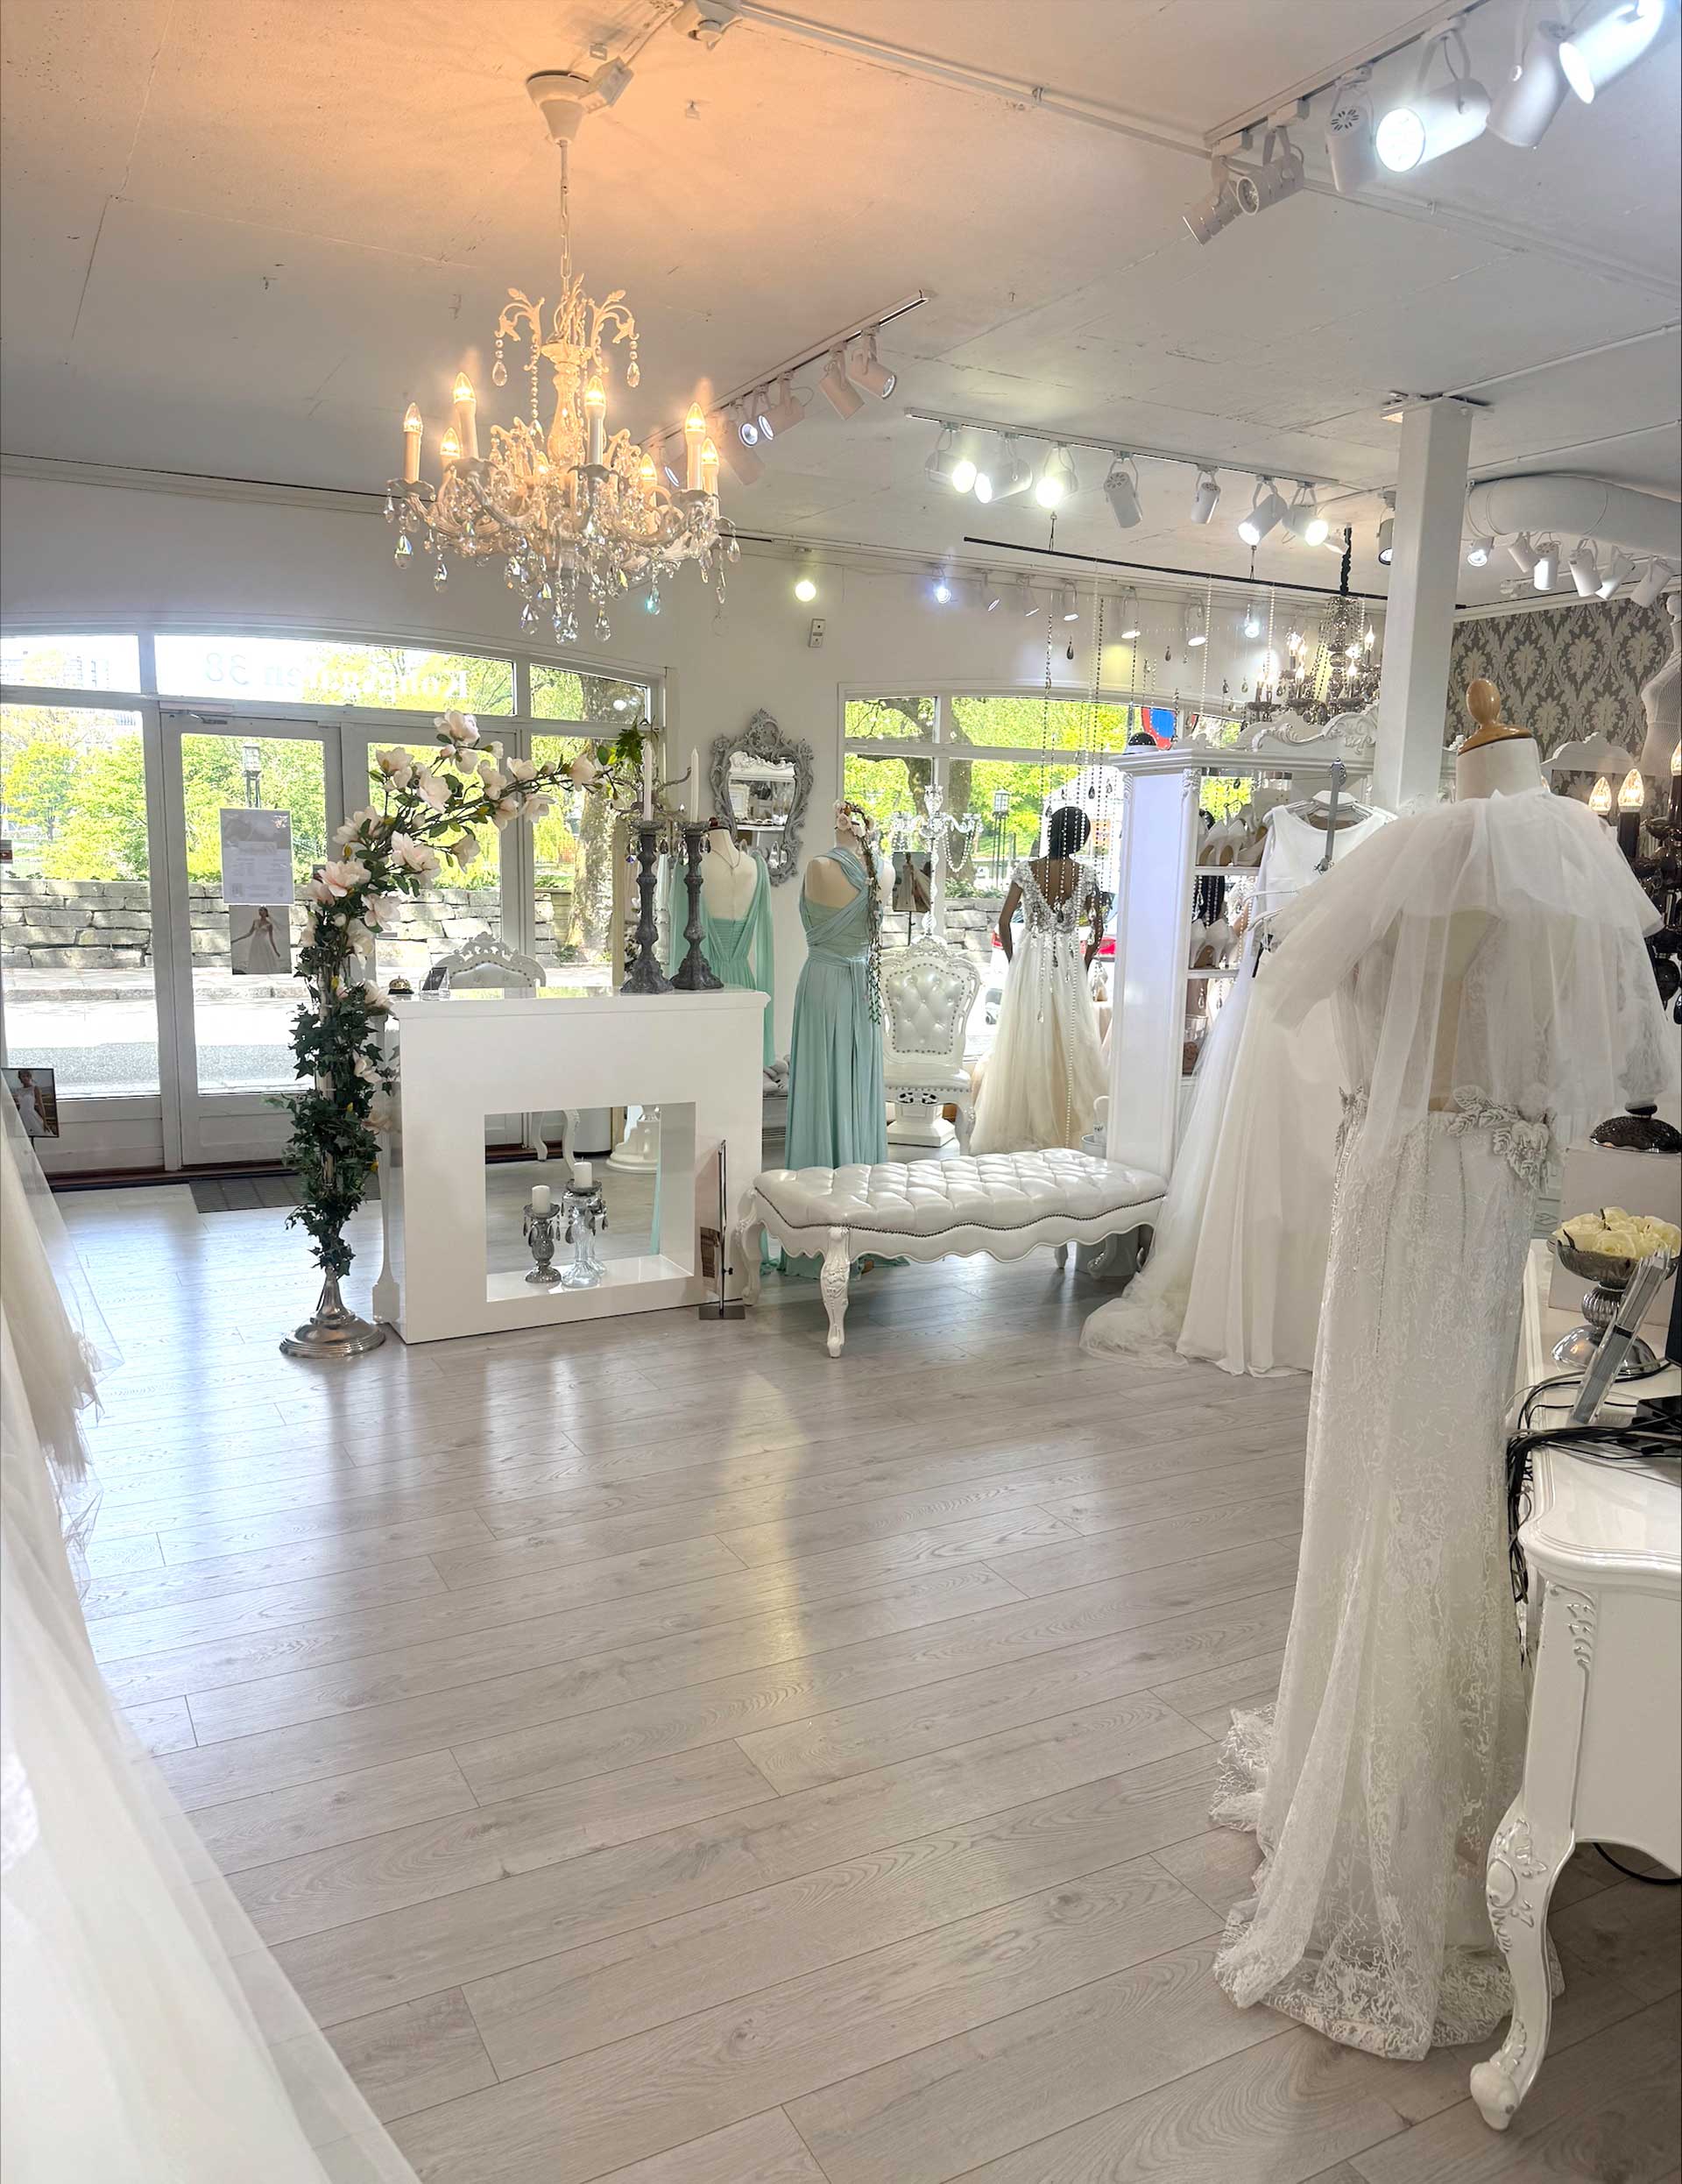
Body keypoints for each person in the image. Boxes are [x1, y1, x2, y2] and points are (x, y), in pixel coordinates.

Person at [969, 805, 1107, 1154]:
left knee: (1026, 1036)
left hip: (1031, 961)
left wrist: (1015, 961)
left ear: (1052, 831)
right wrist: (1084, 963)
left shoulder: (1027, 870)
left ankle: (1028, 1120)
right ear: (1079, 838)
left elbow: (1004, 922)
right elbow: (1098, 929)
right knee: (1069, 1036)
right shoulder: (1086, 874)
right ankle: (1069, 1123)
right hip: (1068, 961)